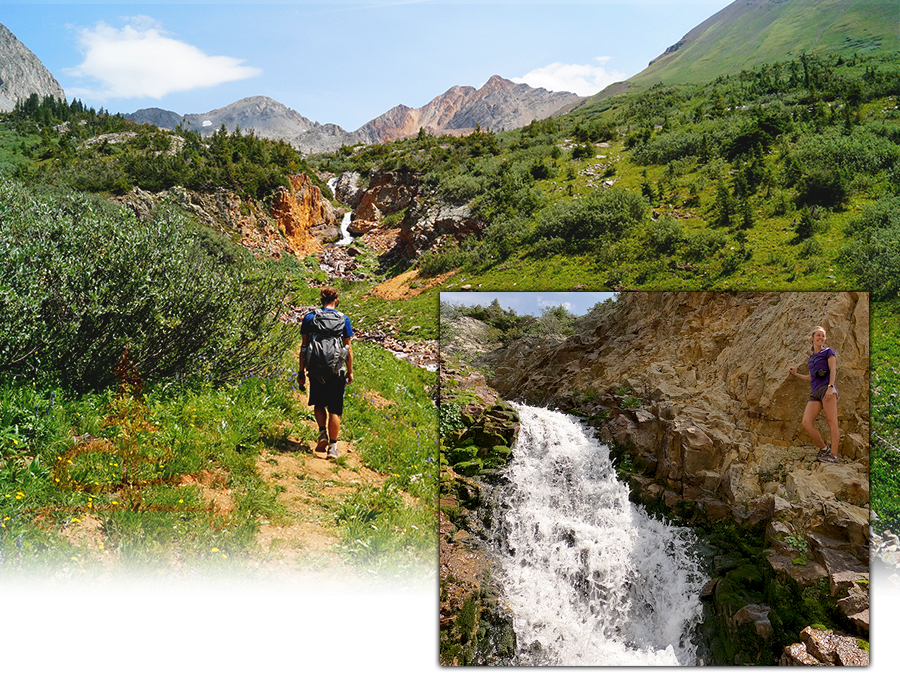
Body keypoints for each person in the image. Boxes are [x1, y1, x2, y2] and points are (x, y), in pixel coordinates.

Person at [298, 286, 354, 459]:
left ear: (321, 300)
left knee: (319, 403)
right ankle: (333, 447)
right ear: (336, 300)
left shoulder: (310, 318)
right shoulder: (343, 319)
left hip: (315, 367)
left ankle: (322, 432)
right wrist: (350, 371)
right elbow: (347, 348)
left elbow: (304, 347)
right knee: (335, 409)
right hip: (336, 370)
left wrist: (301, 371)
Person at [789, 326, 839, 463]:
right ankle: (824, 449)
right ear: (812, 338)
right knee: (806, 422)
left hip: (827, 388)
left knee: (832, 421)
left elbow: (833, 370)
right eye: (818, 335)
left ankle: (834, 456)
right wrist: (796, 374)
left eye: (823, 336)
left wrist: (830, 387)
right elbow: (811, 377)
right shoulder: (811, 358)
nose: (821, 338)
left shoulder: (829, 352)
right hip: (815, 392)